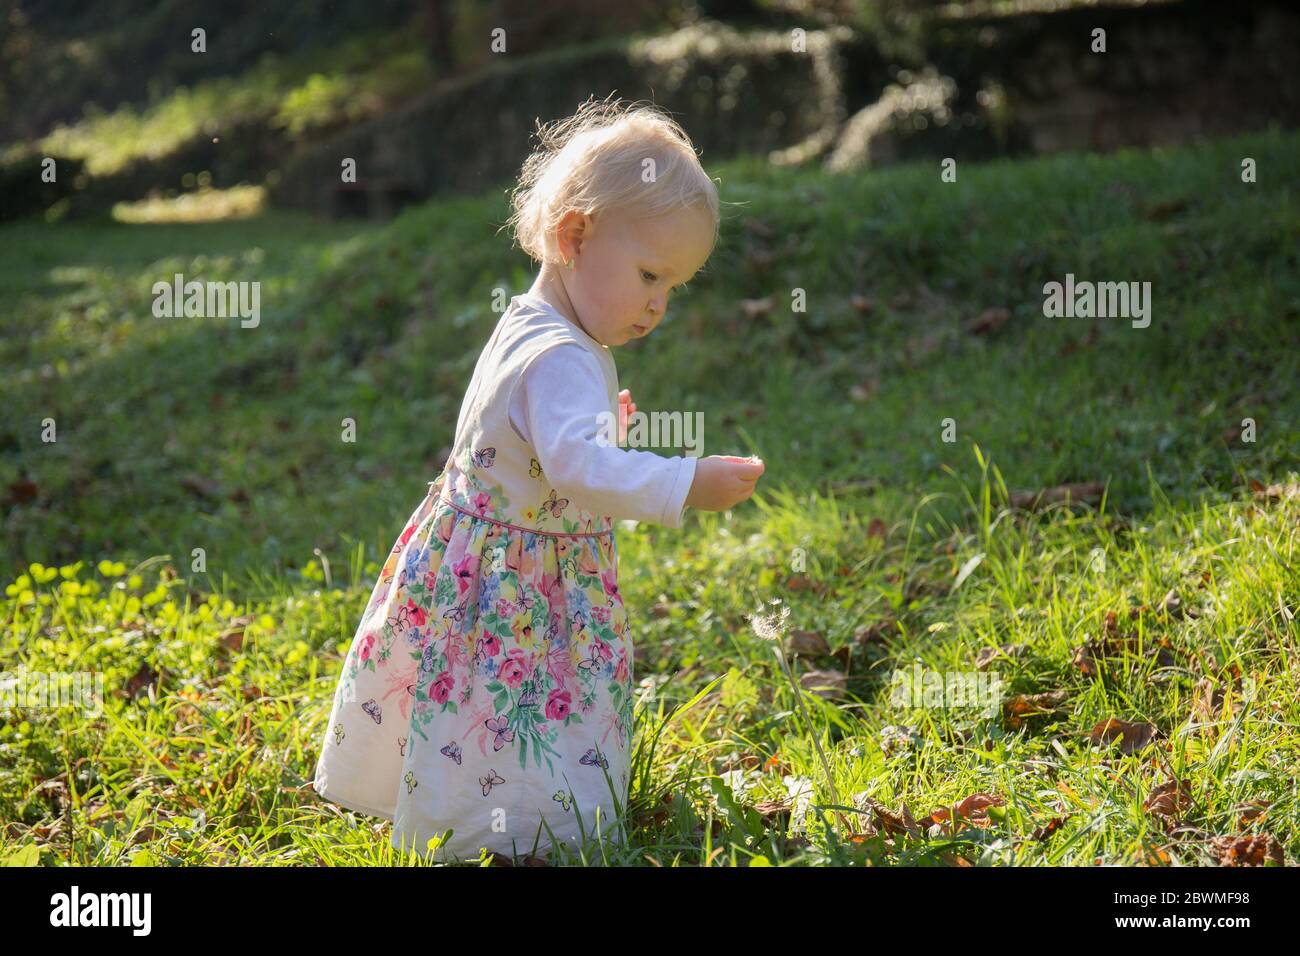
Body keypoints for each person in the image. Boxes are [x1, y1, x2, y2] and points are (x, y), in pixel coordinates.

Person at [312, 97, 766, 864]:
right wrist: (687, 482)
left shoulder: (534, 323)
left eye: (675, 286)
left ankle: (459, 809)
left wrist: (594, 427)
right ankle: (528, 833)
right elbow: (580, 471)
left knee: (472, 700)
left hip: (478, 559)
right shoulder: (563, 355)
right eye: (650, 273)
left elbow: (535, 439)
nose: (659, 303)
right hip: (524, 580)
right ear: (574, 235)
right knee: (522, 703)